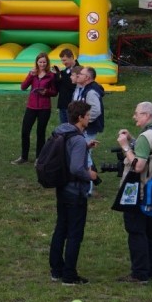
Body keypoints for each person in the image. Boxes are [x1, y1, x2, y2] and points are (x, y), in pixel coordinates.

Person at [112, 101, 152, 283]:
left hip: (140, 190)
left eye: (137, 113)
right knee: (149, 229)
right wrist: (132, 139)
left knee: (136, 230)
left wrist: (125, 146)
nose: (134, 116)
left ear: (146, 115)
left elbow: (138, 166)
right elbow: (148, 151)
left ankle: (139, 273)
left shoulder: (146, 137)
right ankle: (150, 269)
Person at [48, 101, 99, 285]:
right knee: (75, 234)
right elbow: (77, 168)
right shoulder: (77, 139)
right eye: (87, 115)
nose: (89, 118)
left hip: (62, 188)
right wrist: (91, 175)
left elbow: (67, 153)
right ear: (80, 117)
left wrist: (85, 147)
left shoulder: (62, 130)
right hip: (75, 192)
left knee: (60, 228)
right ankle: (69, 275)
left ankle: (56, 270)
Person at [12, 52, 57, 164]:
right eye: (40, 62)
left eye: (44, 62)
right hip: (31, 107)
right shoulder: (33, 73)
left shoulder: (51, 75)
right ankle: (24, 157)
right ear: (37, 62)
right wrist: (30, 75)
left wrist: (46, 92)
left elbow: (54, 92)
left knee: (40, 132)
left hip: (44, 108)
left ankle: (39, 158)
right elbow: (23, 87)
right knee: (25, 131)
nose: (42, 64)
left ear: (47, 63)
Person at [73, 67, 105, 195]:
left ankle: (88, 188)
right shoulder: (86, 89)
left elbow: (96, 110)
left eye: (81, 74)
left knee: (86, 157)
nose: (78, 75)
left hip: (88, 129)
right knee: (85, 156)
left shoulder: (91, 92)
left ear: (87, 78)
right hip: (87, 128)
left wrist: (83, 123)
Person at [54, 49, 79, 124]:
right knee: (64, 128)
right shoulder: (65, 71)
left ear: (71, 57)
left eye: (65, 60)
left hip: (73, 105)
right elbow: (59, 87)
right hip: (63, 104)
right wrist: (57, 75)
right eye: (62, 61)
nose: (63, 63)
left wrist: (62, 74)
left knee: (72, 128)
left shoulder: (79, 70)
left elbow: (72, 85)